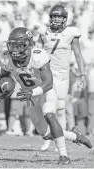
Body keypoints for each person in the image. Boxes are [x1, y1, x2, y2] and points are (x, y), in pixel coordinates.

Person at [0, 27, 92, 165]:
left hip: (45, 91)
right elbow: (3, 76)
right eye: (13, 45)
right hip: (30, 97)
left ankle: (63, 156)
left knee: (50, 115)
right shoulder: (6, 58)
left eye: (19, 45)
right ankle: (75, 135)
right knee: (46, 134)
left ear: (29, 45)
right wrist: (0, 90)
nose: (15, 50)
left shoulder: (38, 56)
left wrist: (33, 92)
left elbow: (48, 83)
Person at [37, 4, 87, 152]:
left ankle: (59, 139)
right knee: (46, 108)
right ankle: (48, 137)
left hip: (63, 75)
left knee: (60, 108)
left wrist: (82, 74)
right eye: (54, 16)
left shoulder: (72, 33)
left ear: (65, 18)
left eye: (59, 16)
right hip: (46, 73)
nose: (56, 19)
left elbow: (78, 55)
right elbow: (37, 52)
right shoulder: (43, 31)